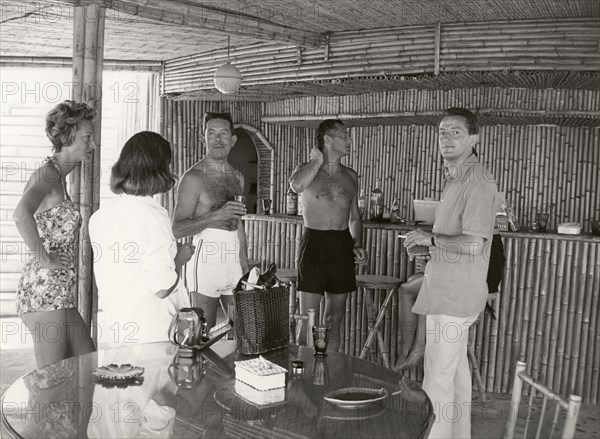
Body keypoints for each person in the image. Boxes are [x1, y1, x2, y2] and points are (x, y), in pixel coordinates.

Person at [402, 108, 498, 438]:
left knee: (437, 381)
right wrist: (429, 244)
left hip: (455, 297)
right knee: (455, 374)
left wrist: (430, 238)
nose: (446, 138)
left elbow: (473, 243)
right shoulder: (457, 178)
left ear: (474, 138)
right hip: (448, 290)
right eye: (442, 132)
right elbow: (455, 240)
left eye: (455, 132)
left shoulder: (478, 181)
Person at [89, 131, 194, 346]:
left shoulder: (99, 217)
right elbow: (162, 288)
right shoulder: (153, 217)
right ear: (159, 170)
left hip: (116, 330)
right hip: (153, 333)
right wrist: (179, 260)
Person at [13, 100, 97, 368]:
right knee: (51, 381)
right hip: (45, 293)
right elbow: (20, 214)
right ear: (69, 136)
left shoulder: (59, 177)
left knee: (86, 367)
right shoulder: (48, 173)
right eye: (87, 138)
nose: (92, 145)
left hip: (60, 293)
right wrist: (45, 259)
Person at [289, 119, 368, 352]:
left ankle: (330, 373)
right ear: (328, 139)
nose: (349, 140)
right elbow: (296, 186)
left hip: (342, 245)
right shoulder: (305, 170)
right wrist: (317, 160)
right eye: (344, 135)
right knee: (308, 317)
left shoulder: (351, 176)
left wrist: (357, 242)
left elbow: (354, 217)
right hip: (314, 242)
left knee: (335, 318)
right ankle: (304, 376)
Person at [172, 112, 249, 332]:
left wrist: (243, 260)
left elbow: (238, 222)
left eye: (223, 134)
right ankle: (198, 368)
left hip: (233, 258)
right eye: (211, 133)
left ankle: (234, 368)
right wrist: (216, 215)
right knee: (202, 329)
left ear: (232, 140)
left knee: (240, 330)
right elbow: (177, 229)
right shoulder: (193, 178)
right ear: (203, 138)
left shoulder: (237, 177)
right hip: (206, 258)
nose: (217, 140)